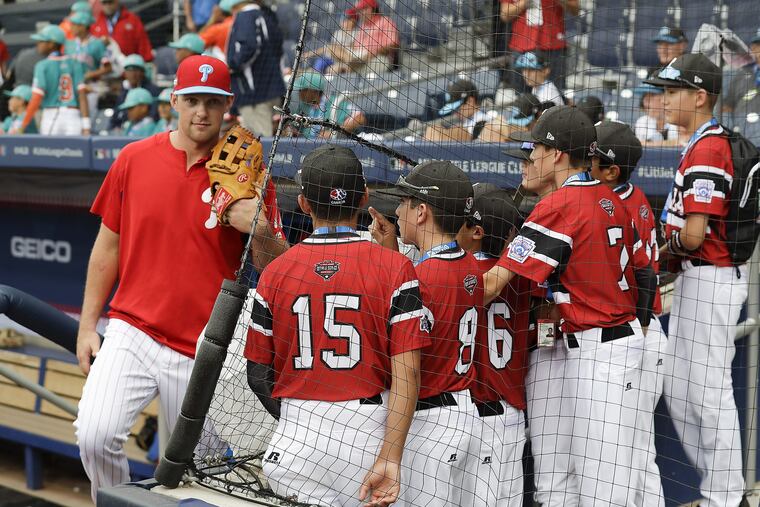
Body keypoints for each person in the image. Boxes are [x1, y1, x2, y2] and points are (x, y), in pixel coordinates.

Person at [73, 55, 289, 502]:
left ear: (227, 106)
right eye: (192, 99)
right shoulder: (134, 158)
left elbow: (275, 272)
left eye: (212, 102)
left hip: (206, 348)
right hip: (133, 328)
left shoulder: (250, 174)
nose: (201, 112)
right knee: (94, 435)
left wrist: (261, 228)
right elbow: (107, 248)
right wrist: (86, 326)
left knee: (190, 476)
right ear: (174, 100)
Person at [482, 105, 656, 506]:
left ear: (556, 153)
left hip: (603, 352)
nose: (529, 160)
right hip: (602, 346)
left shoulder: (562, 203)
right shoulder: (606, 196)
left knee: (604, 490)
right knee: (593, 482)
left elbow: (492, 285)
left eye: (534, 150)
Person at [245, 144, 429, 506]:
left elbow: (257, 373)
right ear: (364, 198)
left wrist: (304, 420)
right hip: (367, 433)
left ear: (303, 204)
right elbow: (408, 374)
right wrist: (391, 457)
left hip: (297, 435)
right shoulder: (395, 267)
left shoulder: (274, 273)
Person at [645, 53, 749, 507]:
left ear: (700, 96)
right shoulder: (701, 142)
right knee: (680, 388)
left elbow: (693, 233)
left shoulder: (709, 147)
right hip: (698, 278)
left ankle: (727, 497)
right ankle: (719, 490)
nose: (663, 101)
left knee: (707, 393)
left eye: (672, 92)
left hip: (712, 279)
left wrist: (657, 256)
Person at [369, 161, 480, 505]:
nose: (398, 211)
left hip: (428, 423)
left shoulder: (422, 277)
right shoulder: (470, 264)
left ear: (421, 212)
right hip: (463, 412)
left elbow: (405, 362)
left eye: (404, 203)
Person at [590, 120, 666, 507]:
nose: (586, 165)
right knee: (636, 451)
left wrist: (642, 325)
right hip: (641, 330)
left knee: (631, 454)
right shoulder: (632, 196)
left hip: (637, 330)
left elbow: (645, 273)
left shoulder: (616, 203)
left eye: (593, 159)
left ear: (611, 170)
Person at [457, 187, 531, 507]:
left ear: (476, 232)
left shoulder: (462, 272)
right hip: (509, 416)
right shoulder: (523, 276)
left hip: (477, 414)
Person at [15, 25, 89, 136]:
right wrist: (86, 125)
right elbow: (82, 96)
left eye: (42, 41)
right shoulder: (75, 63)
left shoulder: (42, 65)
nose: (38, 44)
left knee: (49, 151)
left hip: (51, 114)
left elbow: (36, 98)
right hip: (73, 115)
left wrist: (23, 124)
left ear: (52, 44)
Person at [227, 0, 286, 136]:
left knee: (259, 144)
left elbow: (249, 46)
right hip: (272, 89)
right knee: (266, 141)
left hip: (254, 93)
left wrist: (233, 65)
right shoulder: (267, 15)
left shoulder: (246, 15)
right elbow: (278, 48)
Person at [500, 0, 580, 89]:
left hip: (553, 46)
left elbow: (576, 10)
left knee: (555, 94)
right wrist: (524, 2)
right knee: (523, 97)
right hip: (521, 46)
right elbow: (504, 15)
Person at [289, 72, 365, 139]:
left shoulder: (335, 102)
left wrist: (334, 134)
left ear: (313, 91)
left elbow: (359, 117)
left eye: (302, 90)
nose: (299, 92)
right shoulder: (303, 106)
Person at [64, 11, 112, 118]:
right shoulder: (69, 44)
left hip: (90, 87)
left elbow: (108, 68)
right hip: (72, 88)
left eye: (74, 25)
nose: (71, 28)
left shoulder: (97, 43)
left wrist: (92, 74)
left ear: (83, 26)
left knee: (87, 118)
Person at [336, 0, 399, 75]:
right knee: (333, 48)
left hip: (378, 58)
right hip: (359, 56)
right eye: (359, 11)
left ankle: (347, 66)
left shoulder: (385, 21)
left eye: (362, 9)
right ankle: (349, 63)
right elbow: (355, 46)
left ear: (371, 9)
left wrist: (375, 52)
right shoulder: (363, 26)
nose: (360, 13)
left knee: (337, 69)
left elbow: (394, 45)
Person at [424, 79, 490, 142]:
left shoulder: (485, 121)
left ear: (470, 101)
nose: (455, 113)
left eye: (457, 108)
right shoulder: (466, 122)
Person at [110, 54, 160, 130]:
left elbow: (153, 116)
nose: (133, 74)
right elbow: (115, 118)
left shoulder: (153, 91)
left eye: (136, 70)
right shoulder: (124, 91)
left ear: (143, 72)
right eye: (129, 70)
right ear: (125, 73)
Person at [722, 28, 760, 115]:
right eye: (758, 45)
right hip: (741, 125)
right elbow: (728, 105)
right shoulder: (741, 73)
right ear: (753, 48)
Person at [634, 82, 682, 146]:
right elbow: (640, 145)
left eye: (651, 97)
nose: (646, 104)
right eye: (645, 98)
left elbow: (682, 142)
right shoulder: (643, 121)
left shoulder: (679, 120)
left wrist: (650, 144)